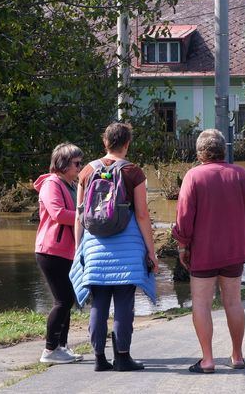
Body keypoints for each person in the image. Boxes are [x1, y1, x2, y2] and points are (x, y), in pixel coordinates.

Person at [172, 129, 245, 374]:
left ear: (200, 152)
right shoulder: (242, 176)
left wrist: (182, 244)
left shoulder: (193, 176)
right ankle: (237, 355)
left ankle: (208, 359)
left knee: (201, 304)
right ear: (224, 150)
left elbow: (184, 218)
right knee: (233, 301)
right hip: (234, 252)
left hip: (202, 253)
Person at [70, 122, 158, 372]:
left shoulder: (86, 171)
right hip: (127, 250)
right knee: (123, 304)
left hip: (95, 248)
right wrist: (150, 252)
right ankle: (122, 357)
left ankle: (99, 358)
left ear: (105, 143)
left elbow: (80, 215)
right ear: (127, 143)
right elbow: (141, 215)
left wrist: (79, 249)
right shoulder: (133, 172)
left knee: (98, 303)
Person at [34, 143, 85, 364]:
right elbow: (57, 214)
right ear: (63, 164)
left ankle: (61, 347)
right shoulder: (51, 184)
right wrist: (85, 216)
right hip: (51, 251)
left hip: (66, 251)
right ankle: (49, 350)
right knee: (62, 300)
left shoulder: (70, 185)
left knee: (68, 299)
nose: (79, 167)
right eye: (76, 163)